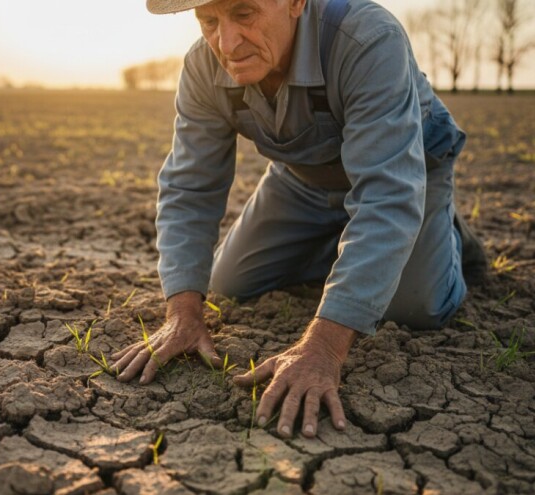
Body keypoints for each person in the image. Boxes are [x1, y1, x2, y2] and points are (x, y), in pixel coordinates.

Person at [112, 0, 487, 440]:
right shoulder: (203, 66)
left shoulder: (367, 39)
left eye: (245, 13)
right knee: (227, 281)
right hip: (304, 181)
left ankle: (444, 236)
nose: (226, 43)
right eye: (209, 21)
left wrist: (324, 347)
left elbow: (388, 195)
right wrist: (182, 311)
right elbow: (190, 188)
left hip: (406, 171)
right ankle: (353, 244)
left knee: (413, 308)